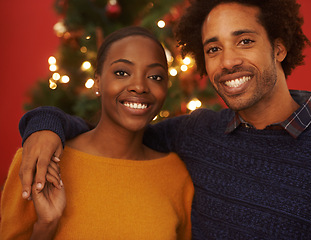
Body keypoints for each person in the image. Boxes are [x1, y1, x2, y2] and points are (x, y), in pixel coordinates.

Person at [13, 0, 311, 239]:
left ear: (279, 48)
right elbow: (114, 132)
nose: (227, 62)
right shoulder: (197, 134)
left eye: (245, 41)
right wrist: (45, 125)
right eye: (213, 48)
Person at [0, 26, 194, 240]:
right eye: (122, 72)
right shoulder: (39, 160)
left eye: (155, 77)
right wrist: (47, 225)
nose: (139, 86)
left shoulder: (177, 175)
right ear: (98, 82)